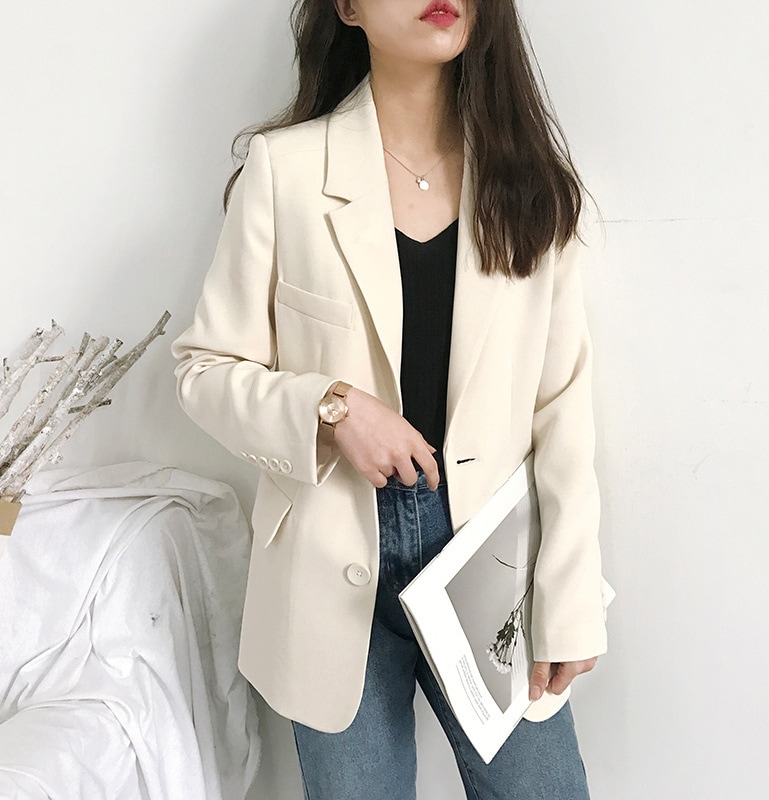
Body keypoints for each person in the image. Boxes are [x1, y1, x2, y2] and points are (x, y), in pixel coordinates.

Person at [172, 0, 612, 797]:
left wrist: (571, 594)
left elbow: (563, 409)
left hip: (489, 558)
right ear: (347, 7)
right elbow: (204, 369)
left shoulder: (529, 181)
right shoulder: (286, 170)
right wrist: (334, 409)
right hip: (330, 551)